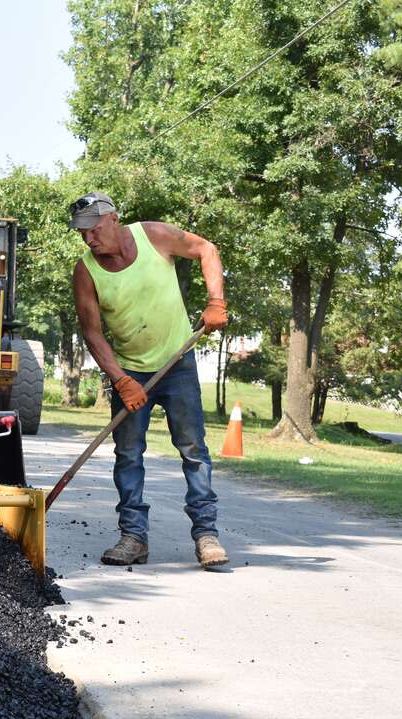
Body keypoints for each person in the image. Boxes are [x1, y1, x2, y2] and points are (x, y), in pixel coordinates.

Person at [69, 192, 230, 570]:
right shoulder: (86, 271)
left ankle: (207, 535)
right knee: (128, 455)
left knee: (193, 449)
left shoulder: (154, 235)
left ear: (113, 218)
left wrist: (216, 301)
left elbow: (207, 250)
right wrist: (121, 380)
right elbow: (93, 334)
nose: (89, 239)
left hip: (177, 363)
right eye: (82, 233)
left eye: (93, 230)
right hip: (129, 372)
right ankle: (133, 537)